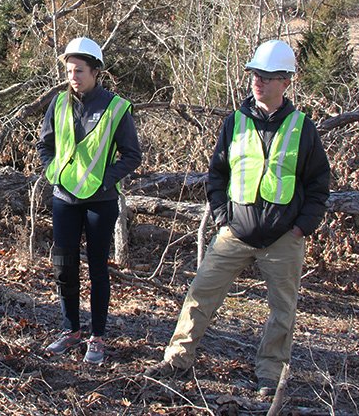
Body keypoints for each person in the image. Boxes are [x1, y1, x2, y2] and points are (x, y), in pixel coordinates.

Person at [145, 40, 330, 397]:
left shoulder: (302, 128)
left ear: (286, 81)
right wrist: (221, 216)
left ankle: (270, 375)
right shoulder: (235, 122)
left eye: (268, 76)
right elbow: (217, 175)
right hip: (235, 232)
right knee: (200, 294)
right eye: (255, 74)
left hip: (283, 238)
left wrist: (301, 227)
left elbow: (319, 185)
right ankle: (177, 359)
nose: (258, 81)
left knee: (282, 310)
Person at [37, 37, 143, 365]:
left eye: (79, 70)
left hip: (102, 201)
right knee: (64, 266)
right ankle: (70, 330)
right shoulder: (59, 103)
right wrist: (53, 172)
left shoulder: (116, 107)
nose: (73, 76)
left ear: (96, 71)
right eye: (69, 70)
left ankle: (97, 337)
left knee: (98, 268)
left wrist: (104, 179)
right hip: (64, 197)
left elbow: (132, 155)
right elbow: (45, 145)